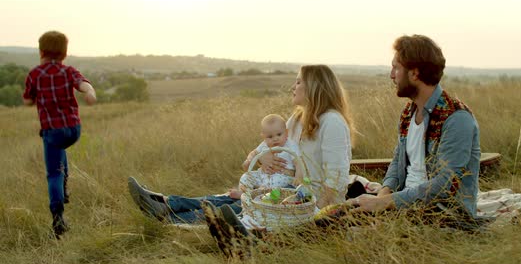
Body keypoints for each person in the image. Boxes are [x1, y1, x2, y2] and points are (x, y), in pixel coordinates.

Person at [127, 65, 354, 228]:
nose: (293, 87)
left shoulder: (332, 122)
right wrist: (262, 157)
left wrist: (316, 214)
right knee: (231, 198)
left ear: (314, 87)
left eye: (298, 82)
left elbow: (336, 177)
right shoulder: (297, 119)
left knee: (240, 208)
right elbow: (265, 147)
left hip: (306, 201)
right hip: (282, 190)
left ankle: (167, 219)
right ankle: (165, 203)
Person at [348, 34, 480, 218]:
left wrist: (385, 203)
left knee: (353, 229)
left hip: (442, 213)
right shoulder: (409, 112)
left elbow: (443, 186)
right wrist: (383, 194)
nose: (391, 75)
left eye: (396, 68)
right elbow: (397, 161)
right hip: (403, 203)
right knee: (340, 211)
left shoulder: (456, 118)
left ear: (415, 73)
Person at [22, 30, 97, 238]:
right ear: (64, 53)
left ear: (41, 51)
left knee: (53, 173)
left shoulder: (35, 75)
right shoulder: (68, 71)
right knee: (61, 154)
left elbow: (28, 101)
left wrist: (35, 98)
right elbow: (83, 84)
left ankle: (58, 217)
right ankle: (64, 191)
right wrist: (90, 93)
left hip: (52, 132)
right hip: (73, 130)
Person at [239, 113, 301, 193]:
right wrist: (249, 160)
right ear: (263, 137)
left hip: (283, 176)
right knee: (246, 177)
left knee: (275, 182)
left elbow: (298, 162)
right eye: (270, 137)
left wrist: (299, 177)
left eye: (279, 134)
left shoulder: (290, 145)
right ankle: (243, 192)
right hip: (263, 174)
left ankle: (260, 193)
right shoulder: (264, 144)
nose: (275, 139)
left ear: (286, 133)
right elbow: (254, 152)